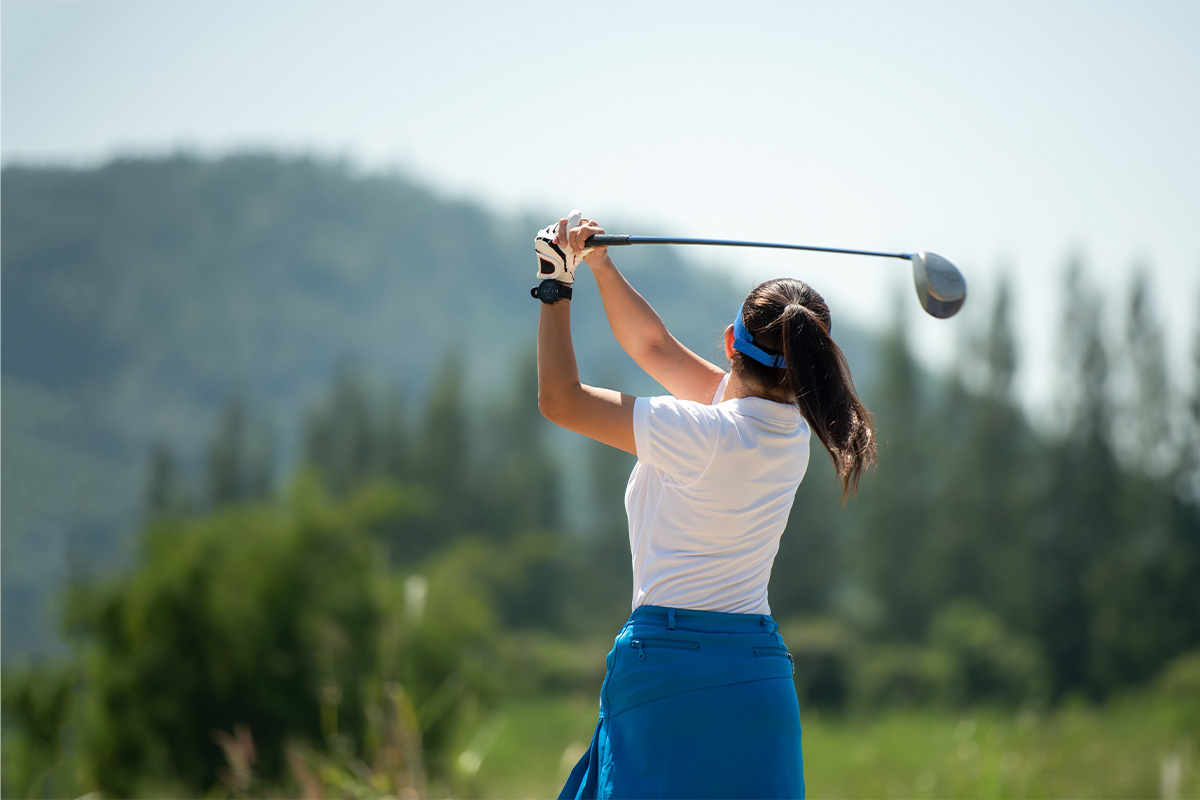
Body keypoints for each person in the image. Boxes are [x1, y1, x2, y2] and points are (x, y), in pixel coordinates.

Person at [533, 213, 876, 800]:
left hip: (667, 669)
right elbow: (654, 346)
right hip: (759, 677)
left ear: (728, 342)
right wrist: (599, 264)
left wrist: (555, 285)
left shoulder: (697, 431)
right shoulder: (794, 430)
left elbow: (560, 402)